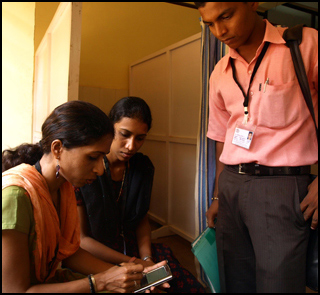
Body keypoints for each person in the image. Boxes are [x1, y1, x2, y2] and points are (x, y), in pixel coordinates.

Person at [194, 2, 318, 293]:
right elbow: (222, 137)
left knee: (278, 284)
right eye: (209, 24)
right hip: (231, 187)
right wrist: (216, 195)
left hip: (282, 188)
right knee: (235, 280)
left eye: (226, 16)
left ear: (253, 3)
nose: (220, 31)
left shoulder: (303, 45)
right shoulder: (220, 72)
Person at [2, 100, 167, 293]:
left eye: (102, 157)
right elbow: (14, 290)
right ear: (57, 149)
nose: (99, 169)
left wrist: (129, 276)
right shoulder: (15, 197)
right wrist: (100, 282)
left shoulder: (62, 188)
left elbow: (69, 253)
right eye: (92, 157)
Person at [75, 96, 206, 293]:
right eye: (124, 134)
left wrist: (147, 259)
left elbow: (141, 219)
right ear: (110, 128)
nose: (131, 146)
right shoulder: (86, 168)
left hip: (133, 250)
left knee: (182, 285)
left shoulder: (141, 167)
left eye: (140, 138)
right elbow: (82, 240)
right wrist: (133, 263)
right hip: (97, 256)